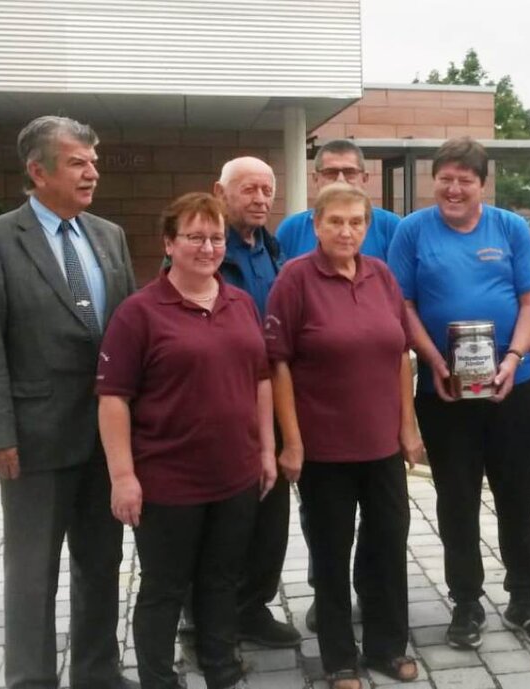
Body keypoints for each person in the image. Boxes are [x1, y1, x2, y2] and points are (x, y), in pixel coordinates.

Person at [0, 115, 136, 689]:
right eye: (78, 162)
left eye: (93, 160)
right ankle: (31, 679)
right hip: (32, 439)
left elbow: (128, 332)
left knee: (101, 563)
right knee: (32, 570)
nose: (92, 172)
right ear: (38, 171)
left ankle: (97, 672)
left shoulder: (108, 235)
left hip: (104, 436)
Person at [97, 192, 276, 689]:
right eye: (194, 237)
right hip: (168, 481)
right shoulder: (139, 313)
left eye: (216, 237)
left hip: (235, 475)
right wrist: (123, 477)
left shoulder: (240, 303)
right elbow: (113, 399)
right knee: (164, 587)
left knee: (221, 579)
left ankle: (220, 666)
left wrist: (265, 451)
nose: (208, 247)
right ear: (169, 244)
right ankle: (158, 677)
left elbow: (260, 379)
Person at [387, 137, 530, 649]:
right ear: (433, 180)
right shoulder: (413, 231)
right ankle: (465, 602)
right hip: (443, 390)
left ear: (482, 184)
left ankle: (525, 597)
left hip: (514, 387)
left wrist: (513, 359)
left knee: (518, 494)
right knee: (456, 499)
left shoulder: (508, 228)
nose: (454, 188)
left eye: (466, 179)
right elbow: (404, 306)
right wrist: (433, 361)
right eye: (446, 178)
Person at [265, 183, 421, 689]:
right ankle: (338, 658)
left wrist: (407, 428)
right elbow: (279, 364)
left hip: (381, 446)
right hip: (325, 448)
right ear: (316, 224)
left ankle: (386, 645)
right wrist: (292, 441)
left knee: (387, 546)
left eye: (356, 222)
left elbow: (400, 353)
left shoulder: (380, 276)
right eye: (336, 221)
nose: (346, 231)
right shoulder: (295, 279)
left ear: (367, 226)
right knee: (331, 553)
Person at [273, 140, 394, 631]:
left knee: (382, 528)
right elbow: (282, 350)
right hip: (319, 419)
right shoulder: (291, 247)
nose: (347, 230)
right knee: (327, 528)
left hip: (375, 420)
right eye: (330, 171)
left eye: (350, 170)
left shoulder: (388, 243)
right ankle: (331, 604)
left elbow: (395, 325)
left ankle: (371, 600)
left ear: (365, 181)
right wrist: (293, 438)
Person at [210, 157, 300, 648]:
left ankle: (251, 608)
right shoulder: (205, 249)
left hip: (274, 398)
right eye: (248, 189)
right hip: (223, 403)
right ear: (220, 193)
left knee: (270, 515)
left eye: (267, 190)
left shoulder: (273, 250)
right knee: (223, 518)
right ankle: (206, 616)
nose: (261, 199)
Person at [276, 139, 401, 260]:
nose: (340, 180)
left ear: (365, 178)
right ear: (315, 178)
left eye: (349, 172)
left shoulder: (390, 226)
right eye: (331, 172)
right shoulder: (292, 229)